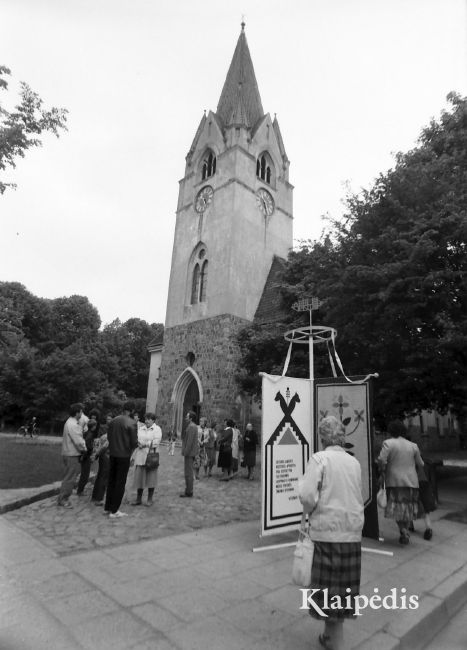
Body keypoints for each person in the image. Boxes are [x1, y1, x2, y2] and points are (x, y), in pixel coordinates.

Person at [298, 416, 364, 650]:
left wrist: (307, 496)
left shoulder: (320, 459)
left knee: (329, 591)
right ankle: (329, 636)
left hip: (327, 531)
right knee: (340, 592)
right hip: (351, 532)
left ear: (322, 437)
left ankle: (337, 643)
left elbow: (307, 497)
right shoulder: (353, 462)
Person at [377, 419, 424, 545]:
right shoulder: (413, 446)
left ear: (390, 431)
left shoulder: (388, 443)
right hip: (411, 482)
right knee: (408, 509)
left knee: (396, 508)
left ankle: (402, 530)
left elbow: (381, 460)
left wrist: (382, 470)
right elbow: (421, 463)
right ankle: (405, 529)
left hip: (394, 481)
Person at [104, 402, 138, 518]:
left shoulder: (113, 421)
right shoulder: (132, 423)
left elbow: (109, 437)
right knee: (120, 482)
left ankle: (108, 506)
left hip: (113, 454)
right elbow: (134, 442)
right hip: (124, 455)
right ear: (132, 410)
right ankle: (114, 510)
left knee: (111, 480)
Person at [57, 403, 87, 508]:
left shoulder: (70, 422)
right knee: (70, 477)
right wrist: (84, 449)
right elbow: (78, 441)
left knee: (68, 476)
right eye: (81, 412)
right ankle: (63, 499)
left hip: (68, 453)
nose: (82, 414)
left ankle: (63, 497)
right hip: (72, 454)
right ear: (77, 412)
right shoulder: (73, 424)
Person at [132, 413, 162, 506]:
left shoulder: (157, 429)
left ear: (153, 420)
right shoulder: (141, 428)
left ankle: (150, 499)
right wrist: (139, 443)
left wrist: (145, 444)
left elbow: (156, 441)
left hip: (151, 457)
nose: (146, 421)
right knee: (140, 478)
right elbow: (137, 438)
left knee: (151, 478)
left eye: (149, 419)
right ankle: (138, 499)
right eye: (146, 419)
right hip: (140, 456)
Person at [76, 409, 100, 496]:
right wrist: (91, 453)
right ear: (93, 426)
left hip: (83, 456)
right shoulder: (90, 435)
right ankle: (80, 490)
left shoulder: (86, 433)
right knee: (85, 475)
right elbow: (87, 446)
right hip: (86, 457)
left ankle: (80, 489)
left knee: (84, 474)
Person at [91, 414, 112, 505]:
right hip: (106, 458)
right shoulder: (109, 436)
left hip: (103, 458)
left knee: (100, 476)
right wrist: (96, 454)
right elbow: (104, 446)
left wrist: (96, 454)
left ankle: (95, 496)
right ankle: (99, 498)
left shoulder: (104, 435)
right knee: (103, 478)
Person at [180, 411, 199, 498]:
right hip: (190, 453)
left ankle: (189, 491)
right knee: (188, 472)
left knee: (188, 473)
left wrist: (185, 452)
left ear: (191, 418)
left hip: (189, 453)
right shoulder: (192, 426)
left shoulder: (192, 427)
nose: (185, 418)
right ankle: (188, 490)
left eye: (187, 416)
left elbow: (189, 442)